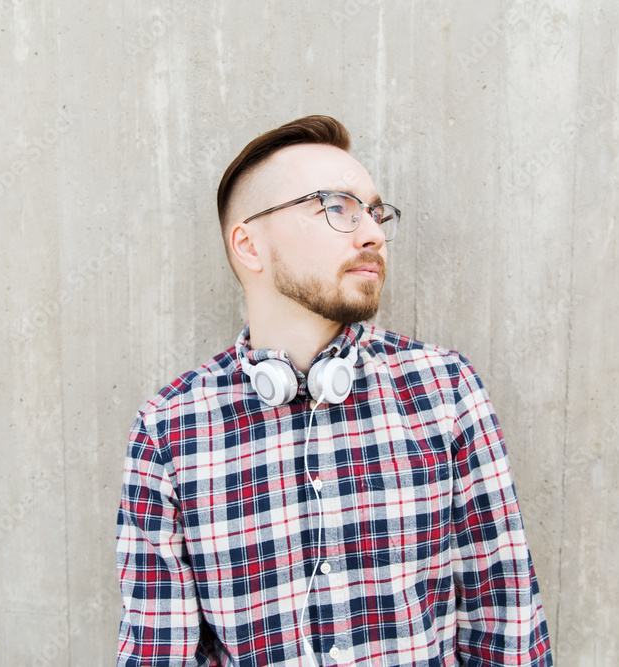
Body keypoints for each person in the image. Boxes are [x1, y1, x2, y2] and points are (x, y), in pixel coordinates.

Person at [116, 115, 553, 666]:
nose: (371, 233)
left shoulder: (445, 391)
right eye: (336, 207)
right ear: (249, 246)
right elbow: (161, 653)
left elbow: (507, 625)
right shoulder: (169, 431)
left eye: (374, 212)